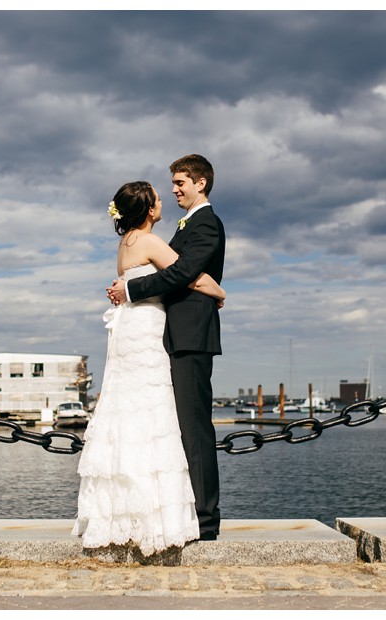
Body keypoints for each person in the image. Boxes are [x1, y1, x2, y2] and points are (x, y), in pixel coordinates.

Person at [73, 180, 225, 556]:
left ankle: (123, 511)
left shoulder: (124, 244)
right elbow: (189, 274)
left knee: (127, 412)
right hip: (147, 331)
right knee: (154, 414)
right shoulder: (151, 242)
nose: (163, 202)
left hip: (128, 333)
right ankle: (155, 514)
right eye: (158, 199)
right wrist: (220, 293)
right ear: (147, 210)